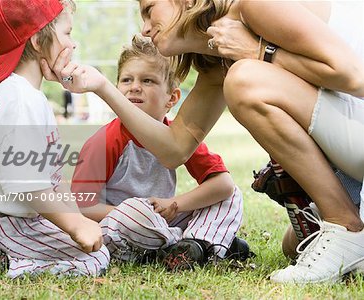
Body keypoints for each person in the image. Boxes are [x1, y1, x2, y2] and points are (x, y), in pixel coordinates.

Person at [41, 0, 364, 283]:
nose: (144, 29)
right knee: (294, 245)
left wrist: (257, 53)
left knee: (244, 80)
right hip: (350, 140)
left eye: (149, 10)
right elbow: (173, 149)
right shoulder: (218, 63)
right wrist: (102, 87)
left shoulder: (252, 6)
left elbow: (354, 76)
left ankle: (345, 225)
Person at [0, 0, 109, 278]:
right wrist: (75, 226)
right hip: (5, 224)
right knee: (94, 259)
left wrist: (79, 218)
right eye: (67, 33)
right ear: (38, 41)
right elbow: (26, 185)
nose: (72, 44)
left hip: (5, 219)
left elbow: (53, 179)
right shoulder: (20, 99)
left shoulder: (23, 94)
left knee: (97, 239)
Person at [72, 35, 249, 271]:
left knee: (231, 195)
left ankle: (192, 246)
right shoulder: (107, 140)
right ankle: (204, 244)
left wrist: (173, 203)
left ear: (172, 98)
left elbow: (222, 185)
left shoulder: (176, 136)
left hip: (163, 216)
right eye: (126, 80)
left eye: (147, 80)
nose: (135, 86)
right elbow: (80, 205)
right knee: (136, 213)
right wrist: (144, 213)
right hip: (119, 226)